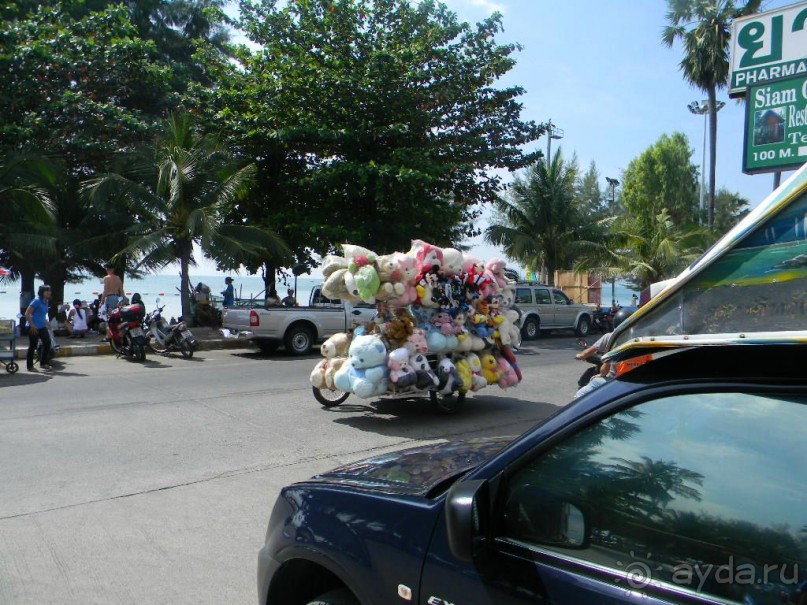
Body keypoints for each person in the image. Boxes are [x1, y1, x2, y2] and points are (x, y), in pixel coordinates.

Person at [24, 284, 53, 372]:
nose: (49, 293)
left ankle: (43, 363)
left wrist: (47, 323)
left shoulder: (46, 301)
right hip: (33, 327)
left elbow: (42, 315)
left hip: (42, 327)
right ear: (42, 292)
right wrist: (32, 325)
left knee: (47, 343)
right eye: (46, 291)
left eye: (49, 291)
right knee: (33, 346)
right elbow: (27, 314)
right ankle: (30, 366)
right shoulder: (36, 301)